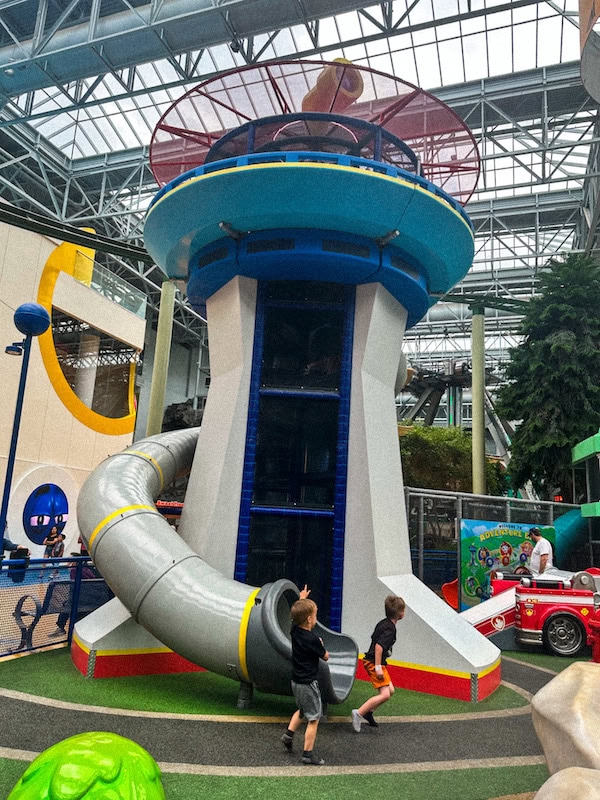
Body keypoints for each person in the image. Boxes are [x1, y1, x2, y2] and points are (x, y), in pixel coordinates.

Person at [280, 586, 329, 766]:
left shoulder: (294, 631)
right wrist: (322, 645)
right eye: (315, 615)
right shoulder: (313, 640)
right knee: (314, 718)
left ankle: (288, 736)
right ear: (309, 619)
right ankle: (307, 754)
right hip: (309, 683)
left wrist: (301, 599)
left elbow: (295, 617)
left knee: (302, 710)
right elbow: (325, 657)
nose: (316, 618)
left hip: (296, 681)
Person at [351, 595, 405, 732]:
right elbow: (379, 647)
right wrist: (378, 667)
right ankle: (359, 713)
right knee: (385, 694)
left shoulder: (384, 623)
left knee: (390, 690)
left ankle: (369, 712)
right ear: (400, 614)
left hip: (375, 661)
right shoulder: (390, 629)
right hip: (374, 662)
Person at [48, 552, 97, 637]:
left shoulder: (74, 571)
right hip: (93, 599)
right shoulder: (87, 570)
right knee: (69, 605)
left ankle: (61, 628)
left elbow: (74, 590)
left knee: (67, 606)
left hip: (81, 600)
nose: (67, 562)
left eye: (69, 560)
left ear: (74, 562)